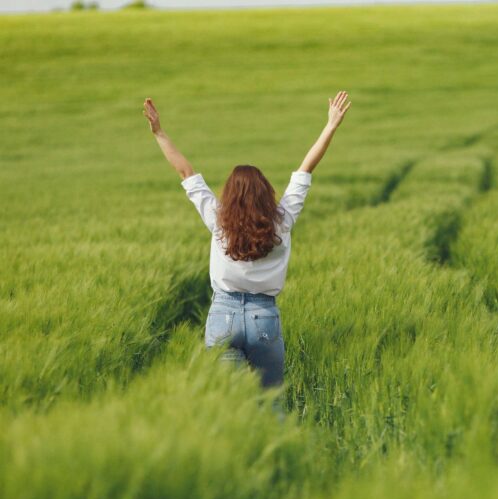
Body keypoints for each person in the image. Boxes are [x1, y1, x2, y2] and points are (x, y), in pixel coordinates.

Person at [142, 91, 351, 387]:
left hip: (222, 316)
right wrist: (330, 127)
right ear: (266, 191)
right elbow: (305, 170)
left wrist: (159, 132)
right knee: (270, 403)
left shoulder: (218, 219)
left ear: (230, 194)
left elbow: (185, 172)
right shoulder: (282, 221)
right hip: (264, 316)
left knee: (231, 404)